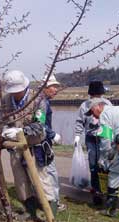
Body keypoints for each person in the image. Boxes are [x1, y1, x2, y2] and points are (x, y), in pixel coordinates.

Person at [0, 70, 58, 221]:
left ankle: (50, 216)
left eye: (18, 91)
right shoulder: (5, 100)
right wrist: (3, 132)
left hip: (35, 146)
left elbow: (40, 125)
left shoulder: (38, 99)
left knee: (42, 181)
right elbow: (1, 120)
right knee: (21, 182)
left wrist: (21, 130)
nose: (16, 94)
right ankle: (30, 211)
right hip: (16, 147)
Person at [74, 81, 112, 204]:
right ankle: (96, 189)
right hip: (90, 138)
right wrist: (77, 136)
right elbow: (79, 122)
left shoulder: (108, 104)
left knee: (105, 163)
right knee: (93, 163)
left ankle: (107, 187)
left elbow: (113, 121)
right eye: (94, 95)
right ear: (90, 95)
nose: (96, 98)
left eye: (98, 95)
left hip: (105, 137)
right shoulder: (84, 105)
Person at [36, 74, 66, 212]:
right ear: (46, 88)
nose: (56, 90)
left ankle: (45, 200)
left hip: (42, 142)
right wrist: (53, 135)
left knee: (43, 172)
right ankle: (54, 202)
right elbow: (40, 124)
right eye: (54, 87)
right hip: (43, 143)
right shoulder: (42, 102)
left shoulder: (42, 100)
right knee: (51, 172)